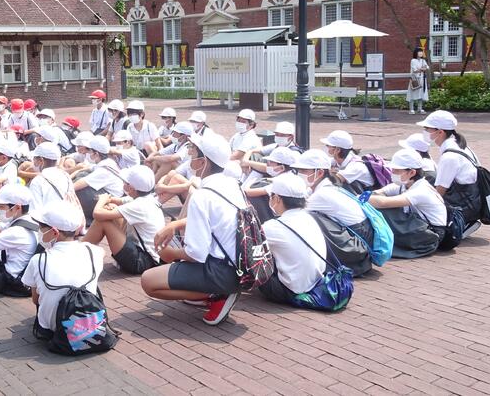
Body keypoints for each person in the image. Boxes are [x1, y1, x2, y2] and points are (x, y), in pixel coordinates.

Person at [142, 134, 242, 326]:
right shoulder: (231, 184)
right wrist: (176, 224)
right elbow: (217, 220)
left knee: (148, 281)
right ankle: (209, 292)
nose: (189, 154)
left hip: (221, 271)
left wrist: (170, 254)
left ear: (204, 162)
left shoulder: (202, 195)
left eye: (193, 151)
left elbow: (196, 253)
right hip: (239, 267)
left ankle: (217, 295)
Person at [20, 203, 104, 340]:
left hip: (53, 328)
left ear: (54, 232)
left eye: (41, 227)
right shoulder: (95, 251)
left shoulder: (38, 260)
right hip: (87, 322)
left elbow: (36, 299)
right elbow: (101, 253)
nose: (39, 231)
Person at [295, 149, 373, 277]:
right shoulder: (323, 186)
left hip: (357, 243)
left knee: (308, 219)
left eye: (304, 171)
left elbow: (294, 214)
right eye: (298, 170)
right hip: (357, 237)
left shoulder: (322, 194)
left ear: (320, 172)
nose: (300, 174)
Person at [258, 174, 327, 306]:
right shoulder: (309, 217)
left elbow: (248, 245)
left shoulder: (273, 226)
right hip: (316, 283)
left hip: (289, 291)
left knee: (253, 252)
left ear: (277, 199)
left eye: (271, 196)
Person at [83, 165, 163, 274]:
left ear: (131, 188)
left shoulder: (139, 205)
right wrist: (106, 201)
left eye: (125, 182)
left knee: (103, 221)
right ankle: (82, 249)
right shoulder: (146, 198)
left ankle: (79, 252)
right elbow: (117, 201)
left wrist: (102, 200)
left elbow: (97, 214)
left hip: (143, 261)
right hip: (147, 256)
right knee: (111, 209)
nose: (123, 183)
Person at [367, 148, 447, 255]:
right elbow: (378, 193)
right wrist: (368, 196)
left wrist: (361, 199)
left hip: (431, 235)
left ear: (412, 172)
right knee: (378, 206)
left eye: (397, 171)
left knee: (385, 211)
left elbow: (383, 203)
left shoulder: (421, 189)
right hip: (418, 227)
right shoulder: (404, 185)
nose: (392, 173)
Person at [417, 110, 481, 229]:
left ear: (440, 132)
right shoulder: (460, 145)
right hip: (472, 200)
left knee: (425, 188)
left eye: (427, 129)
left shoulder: (449, 157)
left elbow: (439, 192)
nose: (425, 132)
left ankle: (457, 225)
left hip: (464, 207)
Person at [407, 47, 430, 115]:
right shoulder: (413, 60)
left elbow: (427, 67)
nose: (421, 53)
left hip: (422, 79)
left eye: (421, 52)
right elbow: (415, 70)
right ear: (416, 53)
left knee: (421, 93)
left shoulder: (423, 60)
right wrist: (422, 69)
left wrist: (421, 69)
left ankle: (420, 108)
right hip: (415, 79)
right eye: (419, 52)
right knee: (413, 92)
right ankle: (411, 109)